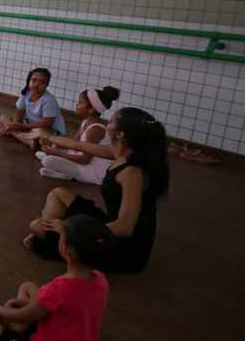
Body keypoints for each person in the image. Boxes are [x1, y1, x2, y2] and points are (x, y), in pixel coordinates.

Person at [25, 107, 169, 273]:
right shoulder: (120, 153)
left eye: (113, 120)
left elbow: (125, 227)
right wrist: (46, 136)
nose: (108, 120)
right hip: (109, 224)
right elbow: (78, 144)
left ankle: (48, 239)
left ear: (120, 134)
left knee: (35, 225)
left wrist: (68, 227)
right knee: (58, 194)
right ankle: (49, 239)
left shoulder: (132, 172)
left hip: (124, 249)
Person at [35, 87, 120, 183]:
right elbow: (72, 144)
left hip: (92, 171)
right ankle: (64, 172)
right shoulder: (86, 122)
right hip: (82, 160)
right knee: (51, 154)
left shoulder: (95, 130)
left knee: (47, 161)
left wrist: (57, 153)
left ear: (91, 109)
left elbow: (85, 160)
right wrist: (53, 145)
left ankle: (67, 173)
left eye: (80, 103)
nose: (76, 105)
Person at [0, 67, 66, 148]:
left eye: (42, 82)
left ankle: (16, 134)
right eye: (34, 80)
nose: (36, 84)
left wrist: (19, 126)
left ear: (47, 85)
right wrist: (15, 124)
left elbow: (47, 124)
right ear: (29, 80)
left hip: (50, 130)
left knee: (39, 133)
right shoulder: (26, 93)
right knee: (3, 117)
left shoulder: (49, 100)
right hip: (31, 125)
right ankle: (27, 140)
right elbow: (18, 112)